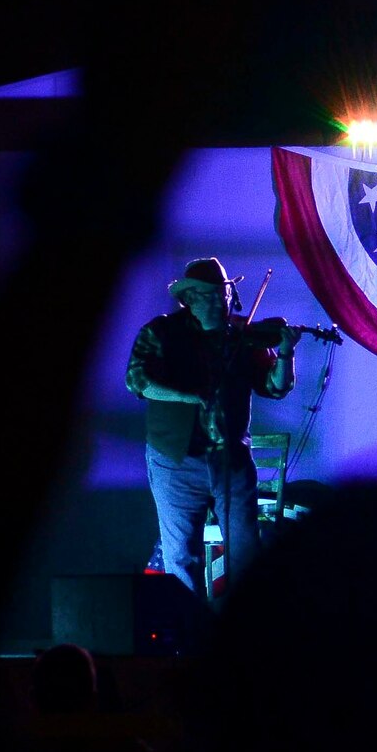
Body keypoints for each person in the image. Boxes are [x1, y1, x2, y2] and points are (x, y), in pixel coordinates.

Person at [126, 257, 295, 600]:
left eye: (224, 295)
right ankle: (187, 641)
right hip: (175, 458)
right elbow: (137, 381)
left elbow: (275, 388)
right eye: (209, 296)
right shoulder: (161, 331)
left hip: (230, 459)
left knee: (246, 554)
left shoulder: (243, 336)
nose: (220, 302)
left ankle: (240, 634)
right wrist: (190, 396)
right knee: (180, 555)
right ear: (189, 300)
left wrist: (286, 354)